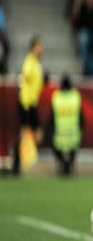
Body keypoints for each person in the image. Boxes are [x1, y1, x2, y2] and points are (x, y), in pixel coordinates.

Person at [12, 36, 44, 174]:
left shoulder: (36, 62)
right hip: (26, 103)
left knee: (35, 134)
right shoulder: (30, 61)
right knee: (27, 133)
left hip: (32, 103)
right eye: (39, 47)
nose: (42, 49)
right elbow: (24, 76)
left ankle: (20, 159)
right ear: (33, 48)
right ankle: (18, 160)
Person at [49, 74, 84, 176]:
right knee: (74, 149)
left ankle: (63, 164)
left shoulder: (56, 97)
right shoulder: (76, 96)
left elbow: (52, 117)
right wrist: (81, 129)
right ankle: (69, 165)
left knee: (56, 148)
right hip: (73, 135)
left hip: (59, 135)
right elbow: (81, 116)